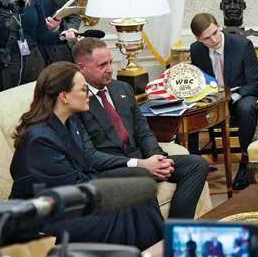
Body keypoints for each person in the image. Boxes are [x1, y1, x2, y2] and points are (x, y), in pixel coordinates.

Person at [9, 62, 163, 251]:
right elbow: (72, 189)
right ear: (64, 96)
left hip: (73, 196)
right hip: (46, 214)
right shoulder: (40, 140)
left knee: (140, 182)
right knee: (123, 205)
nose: (89, 94)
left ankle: (154, 255)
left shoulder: (70, 121)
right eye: (83, 90)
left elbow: (85, 170)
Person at [72, 38, 209, 219]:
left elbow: (143, 131)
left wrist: (157, 158)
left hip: (142, 160)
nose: (110, 69)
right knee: (141, 177)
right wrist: (141, 164)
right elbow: (91, 156)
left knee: (197, 164)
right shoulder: (76, 100)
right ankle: (156, 233)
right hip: (113, 170)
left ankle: (176, 226)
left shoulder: (122, 88)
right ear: (81, 68)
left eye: (111, 62)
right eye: (102, 65)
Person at [190, 13, 258, 190]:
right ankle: (193, 163)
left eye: (215, 33)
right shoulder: (196, 49)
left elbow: (255, 83)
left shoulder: (242, 45)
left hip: (240, 95)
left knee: (247, 108)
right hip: (213, 98)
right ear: (198, 39)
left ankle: (245, 163)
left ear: (219, 26)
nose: (214, 40)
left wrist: (232, 98)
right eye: (207, 38)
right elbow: (198, 81)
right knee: (189, 110)